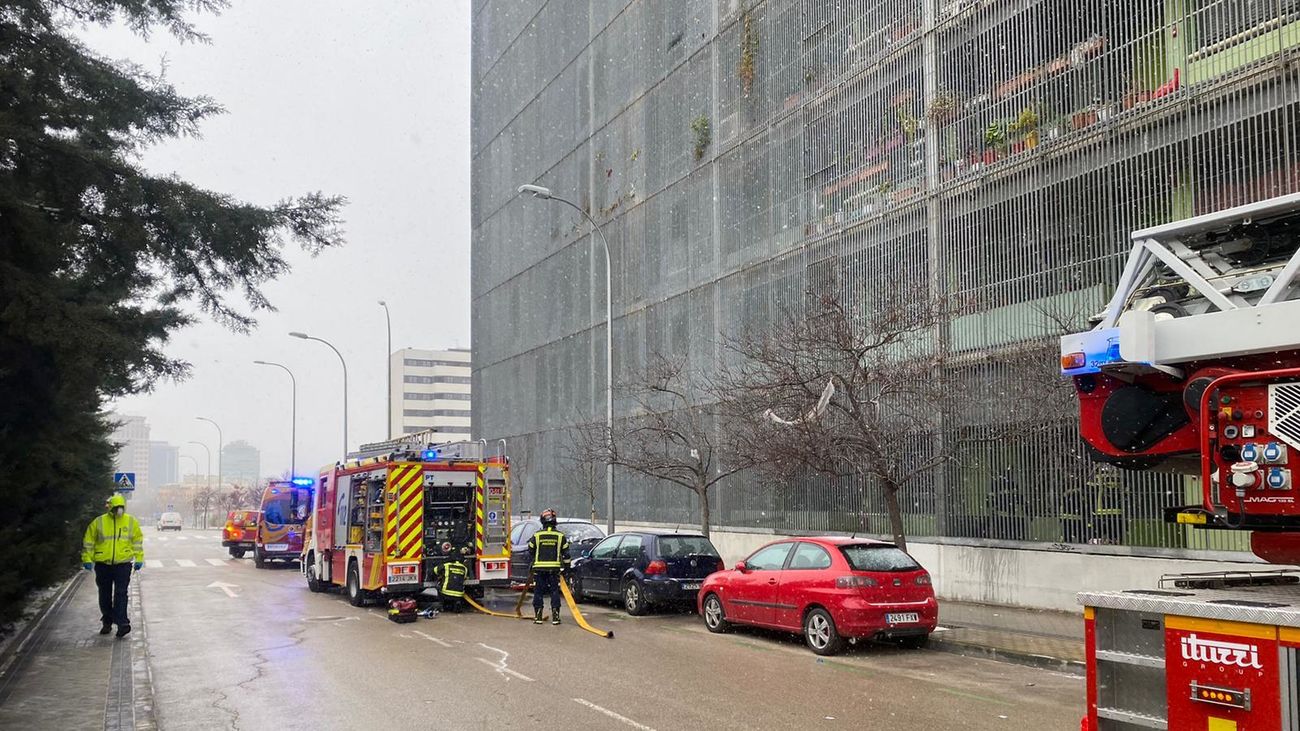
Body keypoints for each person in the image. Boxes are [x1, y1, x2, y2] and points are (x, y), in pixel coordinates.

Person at [81, 494, 144, 637]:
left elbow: (137, 541)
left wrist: (139, 558)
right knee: (105, 594)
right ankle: (107, 620)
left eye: (121, 508)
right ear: (110, 508)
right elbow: (88, 541)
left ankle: (122, 623)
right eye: (116, 508)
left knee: (121, 593)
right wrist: (87, 558)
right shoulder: (99, 522)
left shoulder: (131, 522)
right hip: (103, 564)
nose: (119, 511)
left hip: (123, 564)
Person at [527, 508, 570, 625]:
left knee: (538, 592)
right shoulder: (560, 536)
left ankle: (538, 616)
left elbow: (530, 550)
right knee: (554, 592)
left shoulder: (537, 535)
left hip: (539, 569)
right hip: (554, 570)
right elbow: (567, 555)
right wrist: (566, 569)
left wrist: (533, 562)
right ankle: (555, 616)